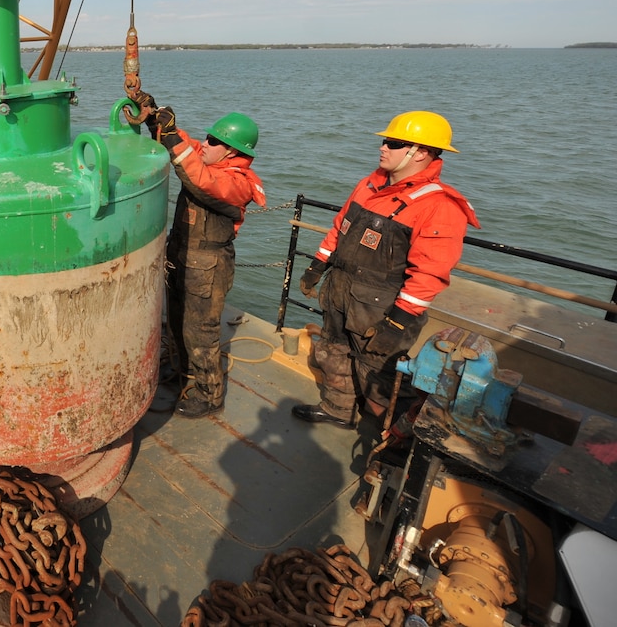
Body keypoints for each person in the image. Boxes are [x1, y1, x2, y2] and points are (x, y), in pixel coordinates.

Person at [293, 111, 480, 429]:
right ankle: (339, 409)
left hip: (382, 308)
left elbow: (429, 273)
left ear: (420, 152)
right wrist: (317, 266)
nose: (383, 148)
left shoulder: (440, 207)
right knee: (335, 351)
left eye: (393, 143)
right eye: (384, 141)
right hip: (341, 291)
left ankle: (392, 440)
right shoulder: (369, 185)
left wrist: (398, 321)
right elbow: (340, 229)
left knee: (381, 373)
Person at [152, 107, 266, 418]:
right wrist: (156, 119)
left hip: (208, 265)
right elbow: (189, 149)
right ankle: (183, 372)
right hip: (182, 255)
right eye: (208, 137)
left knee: (200, 332)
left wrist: (173, 138)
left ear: (232, 152)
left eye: (214, 141)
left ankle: (208, 395)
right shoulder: (209, 160)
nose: (206, 143)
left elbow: (199, 179)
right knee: (176, 322)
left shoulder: (235, 182)